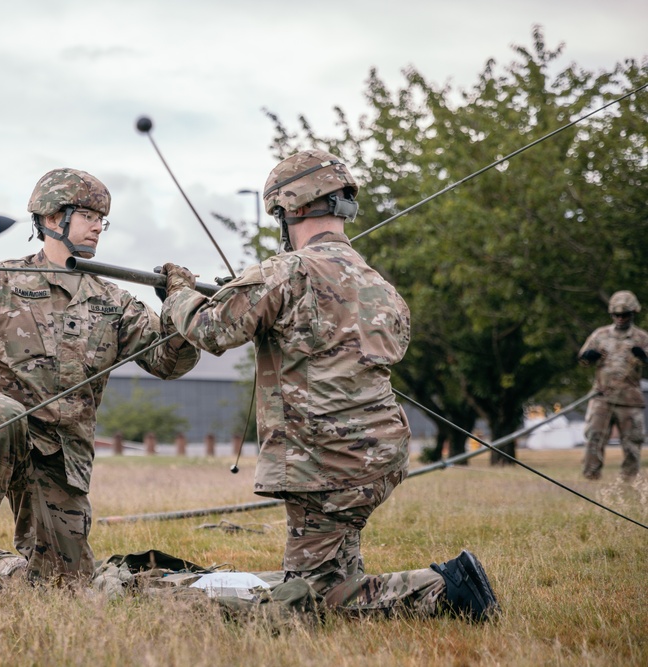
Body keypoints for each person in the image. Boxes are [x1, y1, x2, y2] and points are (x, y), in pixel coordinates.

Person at [157, 149, 498, 621]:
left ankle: (448, 587)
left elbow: (212, 330)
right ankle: (358, 581)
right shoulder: (379, 284)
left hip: (324, 464)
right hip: (378, 456)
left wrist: (178, 293)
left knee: (309, 599)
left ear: (290, 209)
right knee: (334, 574)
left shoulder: (286, 271)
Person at [0, 168, 200, 602]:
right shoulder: (2, 281)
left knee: (64, 590)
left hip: (62, 455)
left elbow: (168, 363)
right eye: (87, 215)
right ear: (50, 219)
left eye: (102, 217)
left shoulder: (114, 302)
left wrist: (180, 310)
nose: (98, 224)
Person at [577, 290, 648, 481]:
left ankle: (629, 480)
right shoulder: (600, 335)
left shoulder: (642, 338)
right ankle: (591, 477)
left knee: (633, 443)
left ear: (633, 314)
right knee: (594, 437)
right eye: (616, 315)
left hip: (630, 399)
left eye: (625, 314)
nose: (621, 318)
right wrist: (588, 357)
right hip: (602, 396)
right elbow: (583, 360)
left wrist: (643, 356)